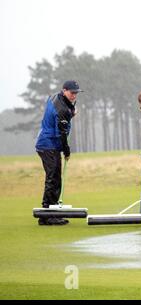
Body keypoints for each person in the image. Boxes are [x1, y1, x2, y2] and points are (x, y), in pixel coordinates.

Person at [35, 80, 83, 226]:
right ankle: (48, 215)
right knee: (53, 178)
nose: (74, 95)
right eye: (72, 92)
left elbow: (64, 113)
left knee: (54, 178)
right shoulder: (62, 109)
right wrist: (66, 150)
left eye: (76, 93)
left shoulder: (55, 97)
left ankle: (48, 212)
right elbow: (61, 133)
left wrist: (70, 113)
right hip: (49, 144)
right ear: (64, 90)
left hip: (48, 143)